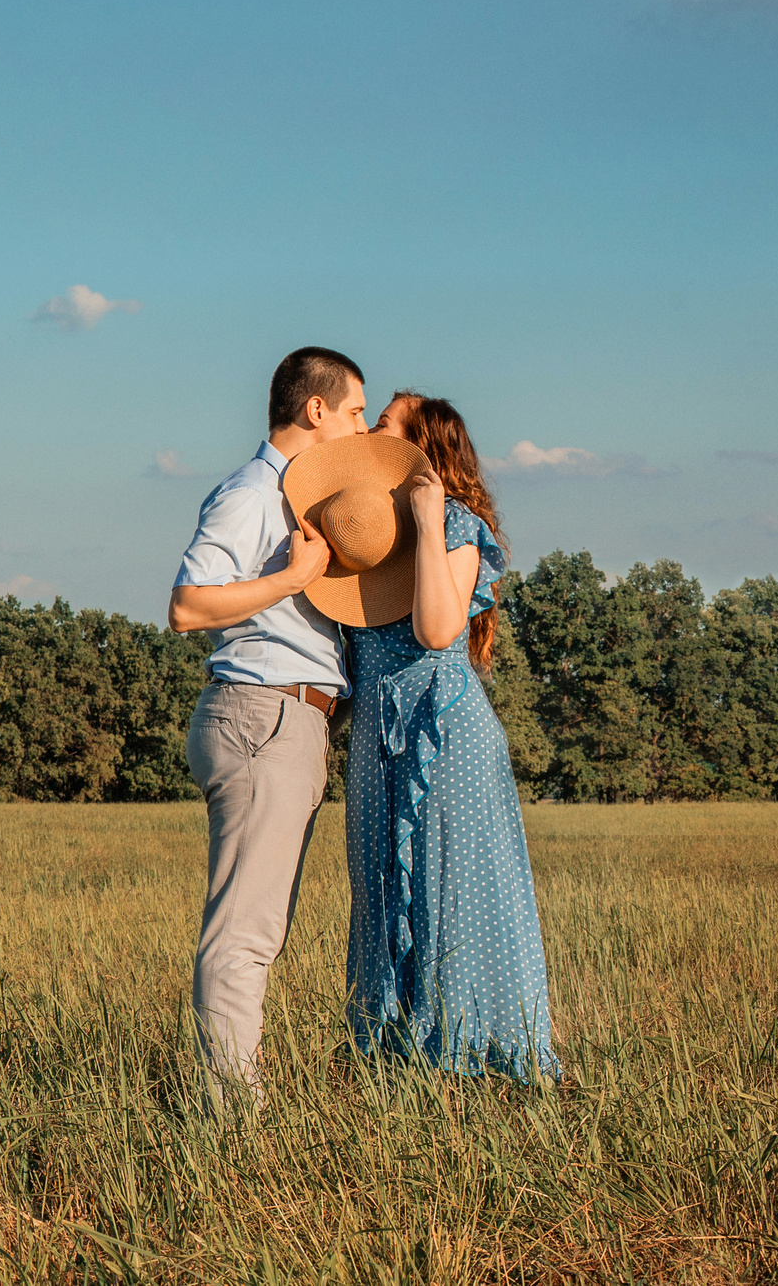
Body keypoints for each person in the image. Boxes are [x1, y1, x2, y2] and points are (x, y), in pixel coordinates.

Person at [317, 394, 560, 1083]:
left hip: (443, 730)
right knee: (380, 894)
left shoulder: (455, 523)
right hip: (376, 737)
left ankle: (472, 1058)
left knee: (458, 892)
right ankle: (396, 1061)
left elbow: (435, 630)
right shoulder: (364, 535)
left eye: (384, 423)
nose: (367, 430)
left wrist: (427, 520)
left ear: (421, 448)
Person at [168, 345, 367, 1101]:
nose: (360, 427)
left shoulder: (296, 502)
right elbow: (187, 605)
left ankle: (232, 1092)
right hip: (263, 713)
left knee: (260, 928)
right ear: (316, 410)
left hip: (290, 718)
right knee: (245, 932)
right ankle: (228, 1113)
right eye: (354, 412)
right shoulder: (253, 493)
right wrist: (290, 578)